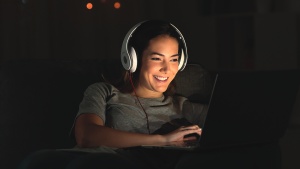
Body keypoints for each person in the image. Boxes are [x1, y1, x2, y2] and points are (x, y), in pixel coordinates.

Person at [18, 20, 208, 169]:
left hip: (114, 164)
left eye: (174, 59)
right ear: (132, 59)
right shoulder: (103, 91)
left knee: (89, 166)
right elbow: (86, 136)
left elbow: (229, 120)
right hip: (83, 156)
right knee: (37, 161)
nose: (167, 68)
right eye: (157, 58)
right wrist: (162, 140)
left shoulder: (184, 107)